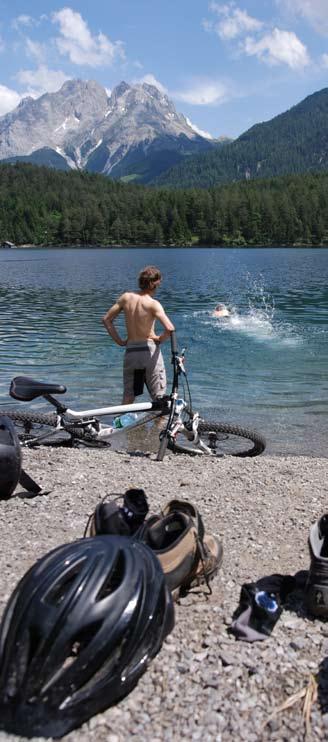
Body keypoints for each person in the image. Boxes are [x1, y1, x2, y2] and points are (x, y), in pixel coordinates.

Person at [102, 265, 175, 403]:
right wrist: (159, 338)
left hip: (131, 351)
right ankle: (160, 424)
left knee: (128, 397)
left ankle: (121, 424)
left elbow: (106, 320)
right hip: (149, 351)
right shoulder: (153, 304)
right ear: (156, 283)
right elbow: (170, 328)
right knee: (159, 398)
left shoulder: (126, 297)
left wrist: (120, 341)